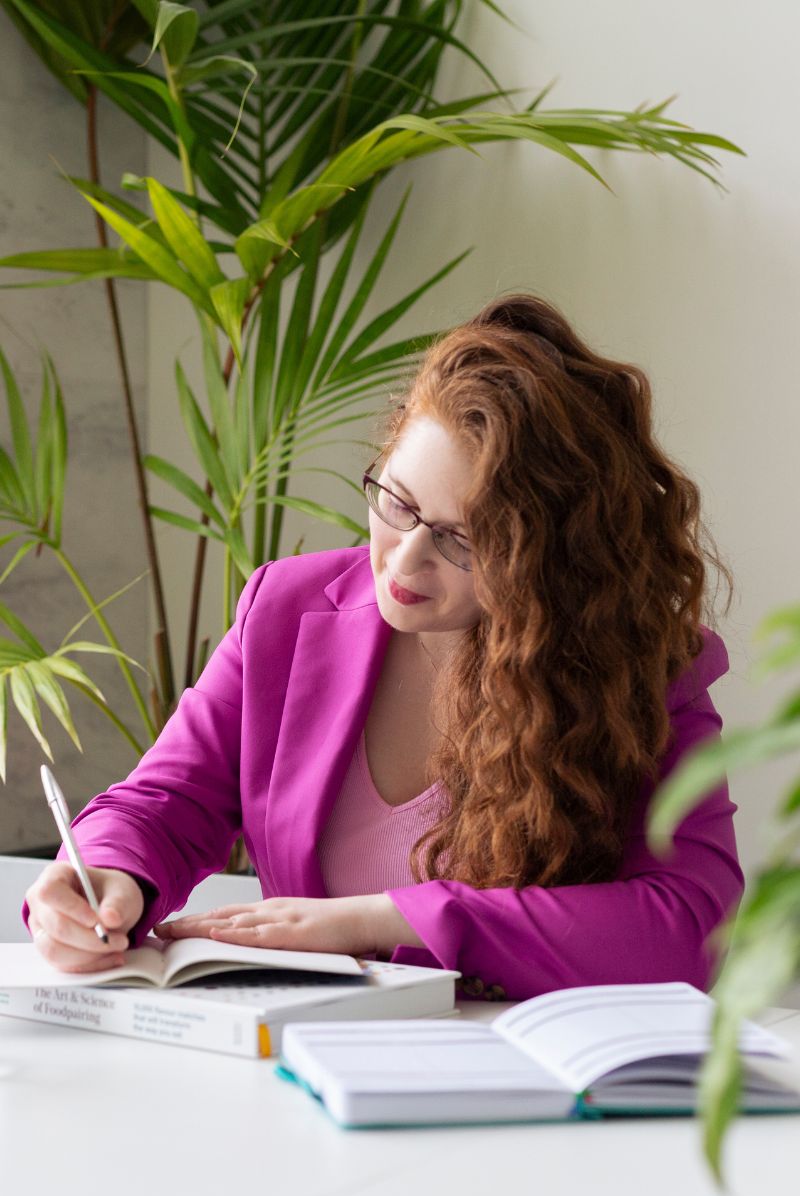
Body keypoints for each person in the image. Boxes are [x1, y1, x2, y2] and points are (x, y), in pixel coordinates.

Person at [24, 293, 744, 1001]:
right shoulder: (285, 608)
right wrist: (111, 878)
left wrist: (382, 919)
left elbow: (689, 926)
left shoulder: (646, 668)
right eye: (398, 505)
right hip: (304, 1056)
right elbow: (167, 801)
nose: (403, 563)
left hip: (522, 1079)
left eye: (464, 541)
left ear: (553, 555)